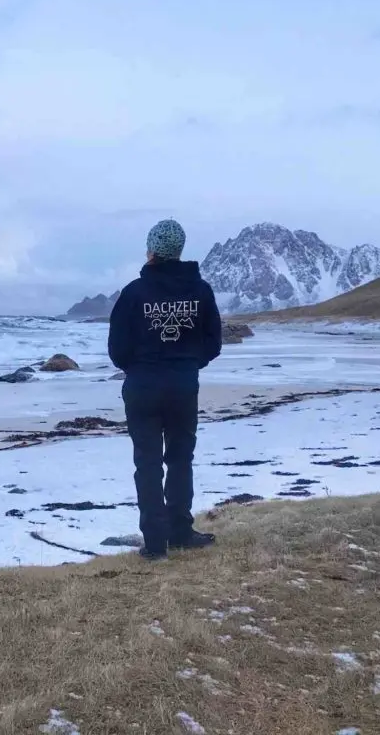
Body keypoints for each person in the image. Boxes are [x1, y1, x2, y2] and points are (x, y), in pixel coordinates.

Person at [107, 219, 223, 560]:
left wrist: (140, 368)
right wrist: (188, 363)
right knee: (180, 459)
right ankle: (180, 531)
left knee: (148, 464)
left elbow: (117, 349)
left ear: (153, 250)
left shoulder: (133, 293)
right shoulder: (200, 291)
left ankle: (156, 545)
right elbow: (213, 342)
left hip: (143, 388)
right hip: (183, 387)